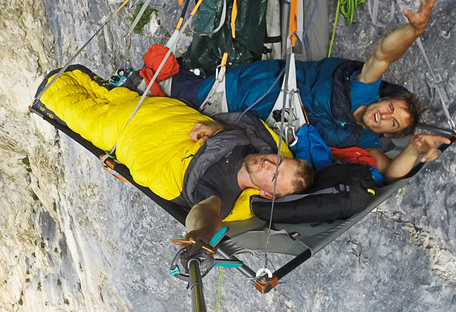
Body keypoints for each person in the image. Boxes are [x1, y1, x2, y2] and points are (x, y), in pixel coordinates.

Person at [166, 0, 451, 181]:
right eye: (390, 107)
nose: (385, 115)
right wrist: (413, 32)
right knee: (171, 93)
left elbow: (389, 173)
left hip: (254, 129)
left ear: (388, 134)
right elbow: (383, 56)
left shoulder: (366, 141)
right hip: (252, 91)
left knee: (182, 132)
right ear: (383, 98)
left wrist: (414, 148)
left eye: (393, 122)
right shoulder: (363, 90)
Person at [36, 66, 314, 244]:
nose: (269, 163)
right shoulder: (251, 145)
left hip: (136, 139)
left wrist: (200, 237)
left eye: (274, 175)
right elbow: (245, 124)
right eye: (279, 161)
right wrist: (217, 127)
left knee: (67, 101)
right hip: (160, 114)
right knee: (110, 99)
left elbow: (205, 214)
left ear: (266, 193)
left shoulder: (222, 196)